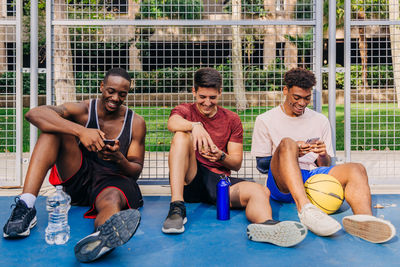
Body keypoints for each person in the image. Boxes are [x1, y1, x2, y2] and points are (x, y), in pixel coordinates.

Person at [3, 68, 146, 262]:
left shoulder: (135, 122)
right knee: (53, 130)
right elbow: (34, 114)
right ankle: (26, 206)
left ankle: (102, 237)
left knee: (112, 199)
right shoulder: (84, 110)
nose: (115, 98)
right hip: (81, 177)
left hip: (112, 181)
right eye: (111, 91)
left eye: (122, 94)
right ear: (102, 87)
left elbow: (135, 171)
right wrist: (81, 132)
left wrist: (119, 158)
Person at [161, 67, 308, 247]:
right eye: (202, 97)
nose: (207, 102)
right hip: (190, 177)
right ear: (194, 91)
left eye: (212, 98)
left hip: (219, 183)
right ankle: (177, 207)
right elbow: (172, 123)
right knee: (180, 135)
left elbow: (236, 163)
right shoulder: (184, 110)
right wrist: (194, 126)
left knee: (261, 191)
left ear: (220, 93)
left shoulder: (231, 119)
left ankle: (268, 226)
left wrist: (220, 156)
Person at [251, 67, 396, 243]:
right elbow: (262, 166)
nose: (302, 103)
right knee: (287, 143)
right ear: (285, 91)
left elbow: (326, 165)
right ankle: (306, 210)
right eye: (296, 97)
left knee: (356, 168)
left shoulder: (320, 120)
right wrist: (290, 152)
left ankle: (364, 222)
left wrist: (322, 154)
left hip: (311, 177)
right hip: (281, 183)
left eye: (306, 98)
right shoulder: (265, 119)